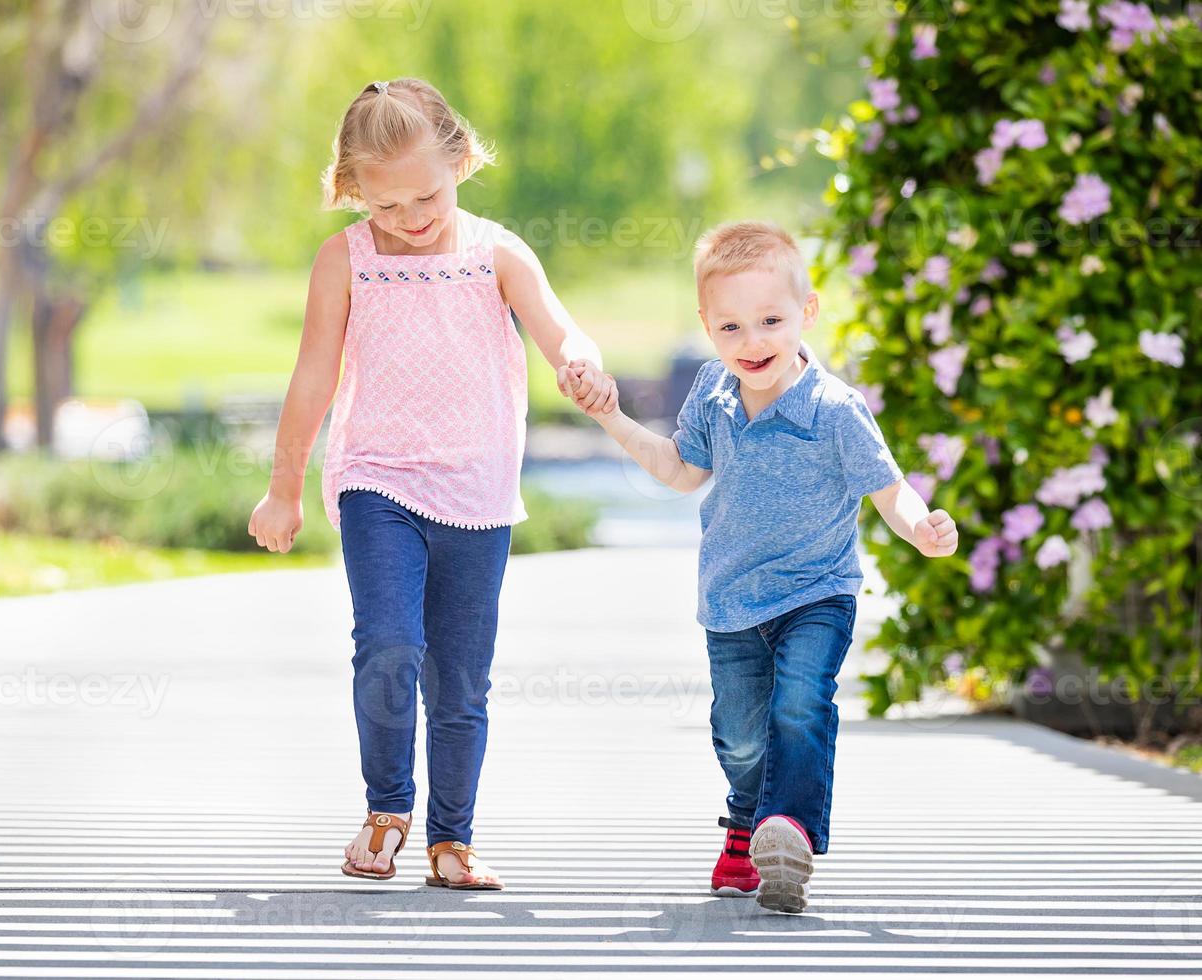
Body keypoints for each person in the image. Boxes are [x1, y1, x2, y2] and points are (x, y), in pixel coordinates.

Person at [248, 77, 614, 890]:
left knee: (460, 674)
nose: (411, 218)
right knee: (388, 644)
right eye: (387, 206)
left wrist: (579, 364)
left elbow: (560, 327)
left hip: (479, 493)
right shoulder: (343, 262)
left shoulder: (496, 251)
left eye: (428, 195)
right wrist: (283, 488)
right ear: (352, 192)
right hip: (376, 480)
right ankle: (387, 809)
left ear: (462, 160)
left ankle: (453, 839)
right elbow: (312, 380)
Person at [566, 220, 958, 913]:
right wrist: (615, 419)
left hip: (818, 592)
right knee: (741, 735)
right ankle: (747, 823)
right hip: (731, 602)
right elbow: (682, 472)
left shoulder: (835, 410)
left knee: (801, 703)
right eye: (731, 327)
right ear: (706, 326)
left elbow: (889, 487)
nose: (753, 343)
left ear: (806, 313)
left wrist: (920, 527)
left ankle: (792, 831)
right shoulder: (714, 397)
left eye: (771, 321)